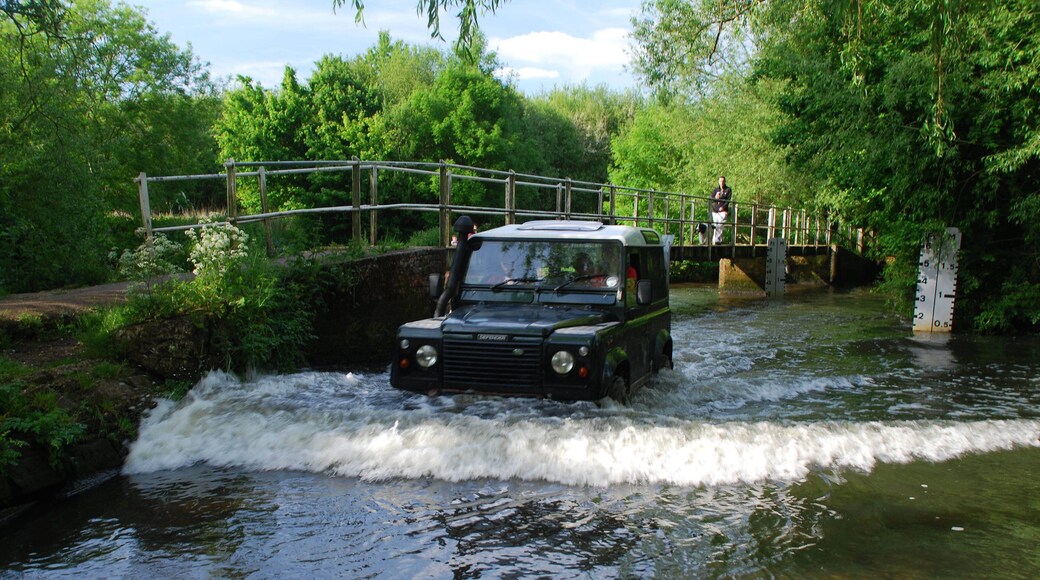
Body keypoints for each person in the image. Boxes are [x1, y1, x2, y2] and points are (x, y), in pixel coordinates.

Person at [711, 175, 732, 244]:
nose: (721, 182)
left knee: (720, 224)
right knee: (715, 225)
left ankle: (717, 240)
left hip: (723, 210)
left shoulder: (728, 190)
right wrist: (716, 197)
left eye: (723, 181)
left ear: (725, 181)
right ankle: (716, 240)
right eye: (720, 181)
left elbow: (728, 200)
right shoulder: (715, 190)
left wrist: (723, 207)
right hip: (715, 210)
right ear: (718, 181)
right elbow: (711, 199)